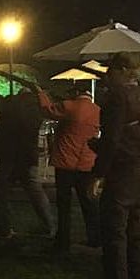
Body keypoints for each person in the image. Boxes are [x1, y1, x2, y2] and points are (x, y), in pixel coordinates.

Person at [88, 52, 140, 279]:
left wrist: (98, 173)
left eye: (111, 70)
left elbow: (113, 139)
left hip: (122, 173)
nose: (107, 75)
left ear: (122, 71)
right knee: (135, 237)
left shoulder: (117, 98)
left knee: (114, 237)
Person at [0, 88, 55, 243]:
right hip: (28, 155)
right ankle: (48, 225)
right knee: (35, 191)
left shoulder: (12, 104)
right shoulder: (36, 108)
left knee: (1, 192)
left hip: (9, 154)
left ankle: (5, 229)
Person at [37, 86, 101, 255]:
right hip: (86, 163)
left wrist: (41, 93)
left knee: (64, 205)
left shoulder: (69, 106)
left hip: (65, 163)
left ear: (76, 94)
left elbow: (47, 110)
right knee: (88, 203)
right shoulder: (97, 110)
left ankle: (63, 240)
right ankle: (95, 237)